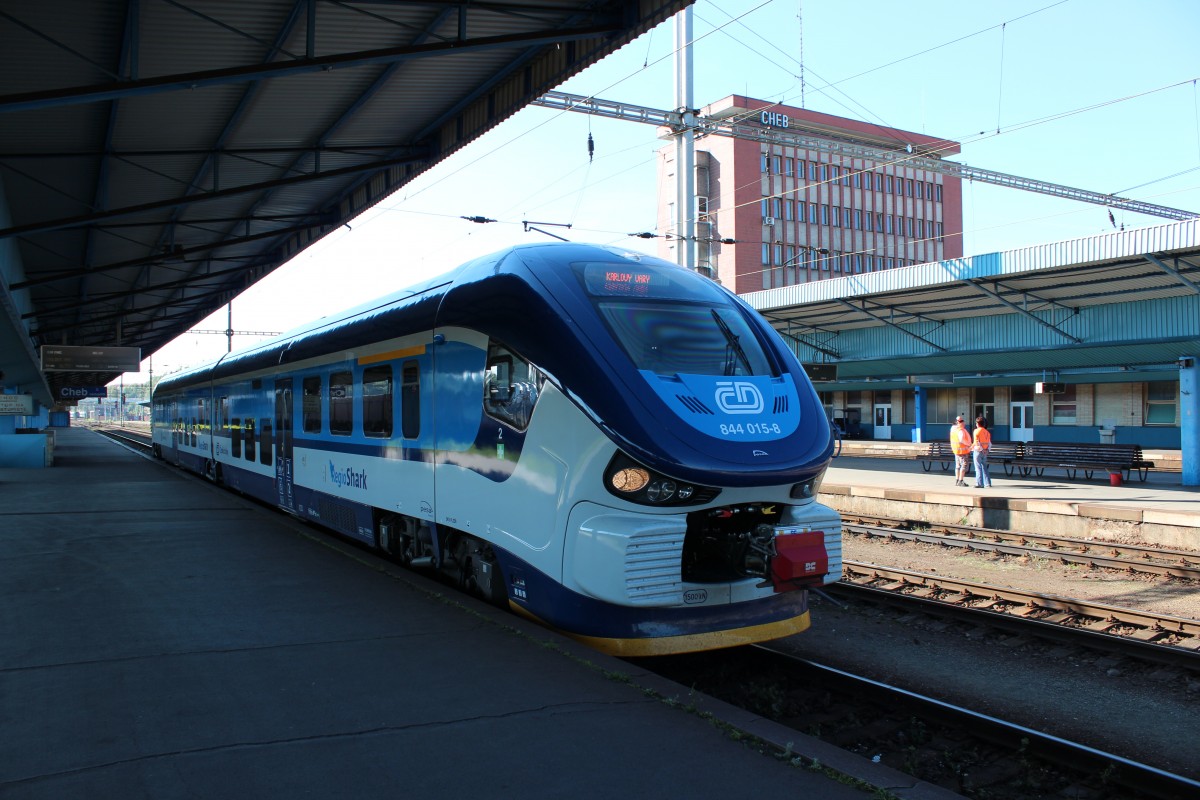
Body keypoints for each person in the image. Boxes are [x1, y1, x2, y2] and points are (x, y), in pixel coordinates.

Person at [950, 415, 973, 486]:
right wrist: (969, 445)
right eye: (961, 421)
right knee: (963, 466)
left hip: (956, 450)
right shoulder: (961, 431)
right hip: (963, 451)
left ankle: (957, 480)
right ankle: (961, 480)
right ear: (959, 423)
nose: (963, 423)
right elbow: (962, 440)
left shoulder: (954, 430)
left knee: (957, 466)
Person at [971, 415, 993, 488]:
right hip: (985, 453)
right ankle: (988, 483)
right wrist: (987, 450)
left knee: (978, 468)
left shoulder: (976, 431)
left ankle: (979, 483)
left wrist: (981, 449)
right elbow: (989, 443)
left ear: (977, 424)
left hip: (978, 451)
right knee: (984, 467)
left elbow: (977, 442)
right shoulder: (987, 432)